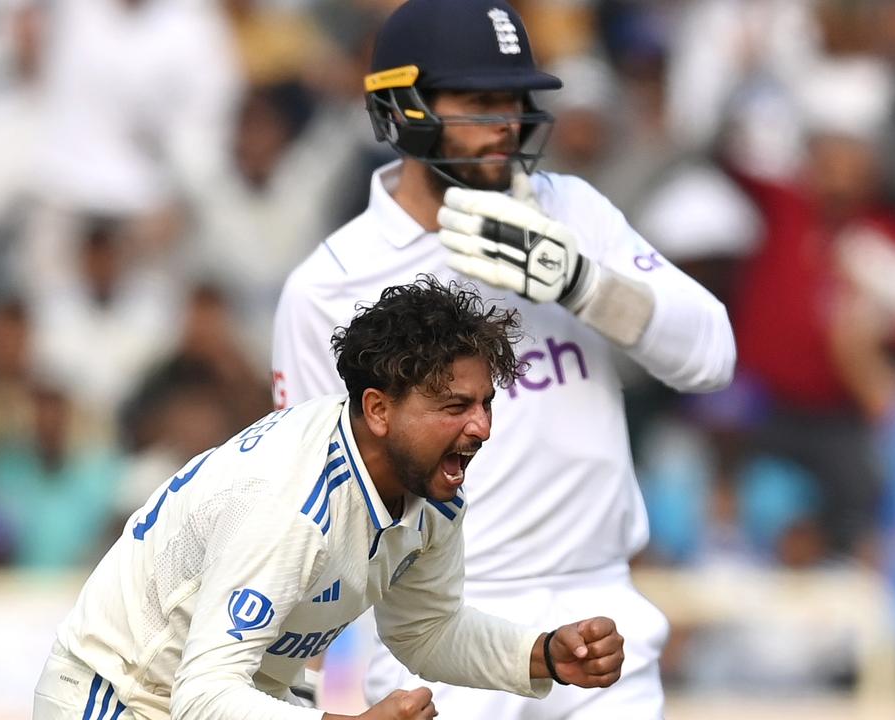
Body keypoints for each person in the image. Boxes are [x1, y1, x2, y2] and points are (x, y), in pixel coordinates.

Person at [271, 1, 736, 717]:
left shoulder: (572, 212)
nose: (507, 122)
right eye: (478, 100)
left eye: (515, 99)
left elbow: (711, 355)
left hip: (599, 608)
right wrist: (307, 689)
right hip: (440, 629)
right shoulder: (330, 286)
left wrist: (589, 287)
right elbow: (315, 511)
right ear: (404, 106)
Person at [32, 276, 627, 720]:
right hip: (117, 696)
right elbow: (204, 695)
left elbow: (425, 631)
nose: (482, 429)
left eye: (484, 404)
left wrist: (543, 654)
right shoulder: (288, 501)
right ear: (378, 409)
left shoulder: (433, 494)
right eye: (455, 407)